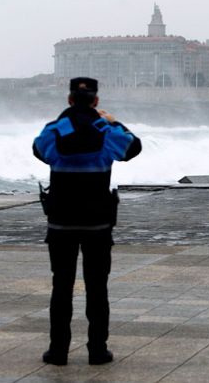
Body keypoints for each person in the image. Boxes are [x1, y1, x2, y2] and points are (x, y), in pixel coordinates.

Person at [32, 77, 142, 366]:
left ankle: (58, 352)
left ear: (69, 100)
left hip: (60, 224)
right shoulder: (106, 129)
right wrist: (114, 121)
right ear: (96, 101)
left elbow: (39, 151)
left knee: (61, 287)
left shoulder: (56, 129)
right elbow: (134, 148)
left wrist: (65, 118)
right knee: (97, 288)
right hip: (97, 224)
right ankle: (97, 351)